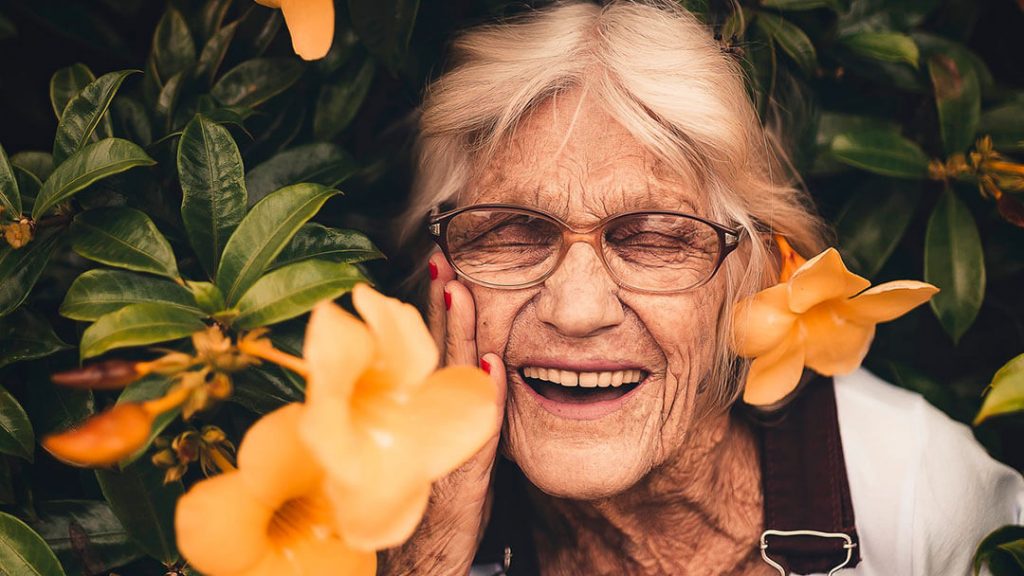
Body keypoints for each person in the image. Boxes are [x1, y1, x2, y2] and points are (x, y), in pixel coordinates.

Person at [383, 1, 1024, 574]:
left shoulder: (921, 495)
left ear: (751, 277)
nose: (576, 311)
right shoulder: (372, 513)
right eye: (515, 233)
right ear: (440, 270)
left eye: (655, 238)